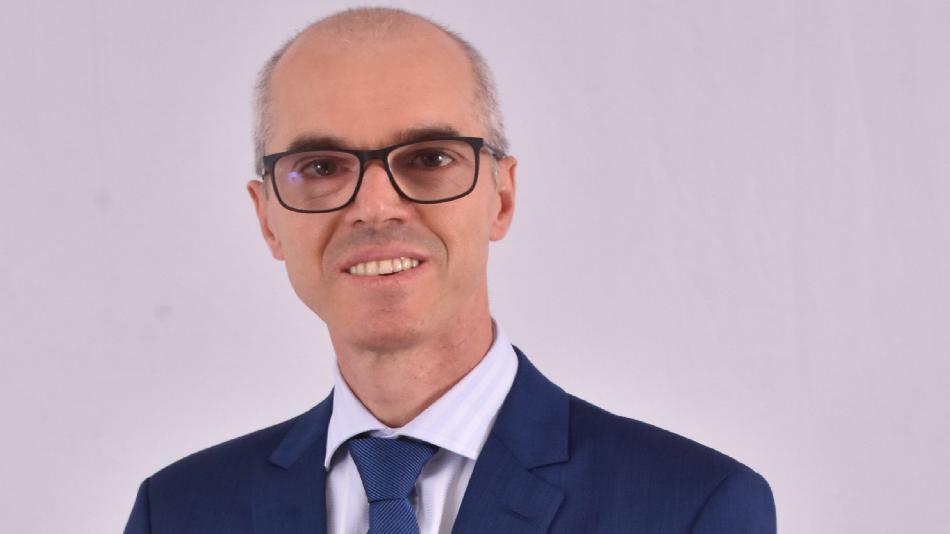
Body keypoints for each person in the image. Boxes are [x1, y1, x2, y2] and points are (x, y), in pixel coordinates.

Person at [123, 7, 776, 534]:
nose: (375, 206)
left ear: (502, 197)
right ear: (268, 218)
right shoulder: (178, 513)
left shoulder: (691, 507)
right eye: (320, 167)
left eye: (429, 159)